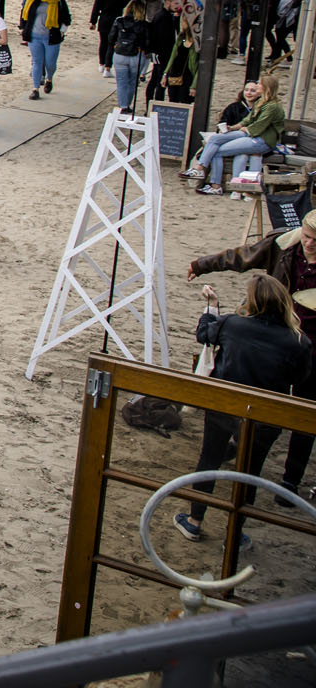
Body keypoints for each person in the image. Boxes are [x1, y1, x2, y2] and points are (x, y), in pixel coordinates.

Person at [173, 276, 312, 540]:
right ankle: (235, 532)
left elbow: (204, 334)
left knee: (210, 458)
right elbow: (300, 378)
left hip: (226, 404)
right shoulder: (298, 341)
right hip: (266, 414)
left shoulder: (233, 324)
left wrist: (212, 307)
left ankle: (194, 520)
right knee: (251, 471)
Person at [188, 210, 316, 497]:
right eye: (307, 238)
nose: (309, 245)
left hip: (309, 344)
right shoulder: (284, 245)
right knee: (258, 400)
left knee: (306, 411)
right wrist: (202, 265)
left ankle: (291, 481)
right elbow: (242, 256)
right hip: (273, 337)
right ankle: (239, 447)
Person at [183, 73, 285, 195]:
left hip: (261, 140)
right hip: (250, 134)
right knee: (215, 138)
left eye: (259, 84)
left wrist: (243, 130)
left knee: (217, 151)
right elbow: (247, 120)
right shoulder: (261, 102)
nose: (257, 85)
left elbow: (258, 127)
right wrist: (232, 128)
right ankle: (200, 168)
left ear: (266, 87)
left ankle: (215, 185)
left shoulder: (272, 107)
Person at [20, 0, 71, 99]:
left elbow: (66, 18)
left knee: (50, 63)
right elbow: (24, 15)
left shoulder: (58, 0)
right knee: (37, 62)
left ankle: (49, 78)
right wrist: (24, 29)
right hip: (35, 36)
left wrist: (62, 31)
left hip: (51, 37)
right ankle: (35, 88)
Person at [92, 0, 130, 77]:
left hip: (104, 19)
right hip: (117, 20)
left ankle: (101, 63)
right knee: (112, 44)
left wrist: (93, 21)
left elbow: (96, 7)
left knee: (103, 42)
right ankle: (108, 67)